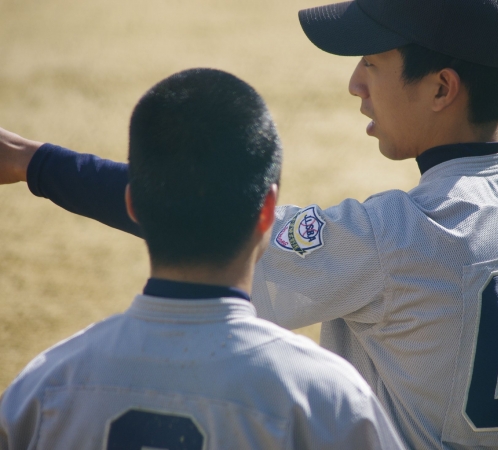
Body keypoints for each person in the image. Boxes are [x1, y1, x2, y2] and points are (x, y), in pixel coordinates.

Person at [0, 0, 498, 448]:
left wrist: (36, 164)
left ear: (441, 88)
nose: (355, 84)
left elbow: (199, 206)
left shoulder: (398, 236)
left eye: (372, 62)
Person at [0, 68, 405, 450]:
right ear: (267, 211)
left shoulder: (43, 386)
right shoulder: (328, 399)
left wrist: (32, 161)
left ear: (132, 205)